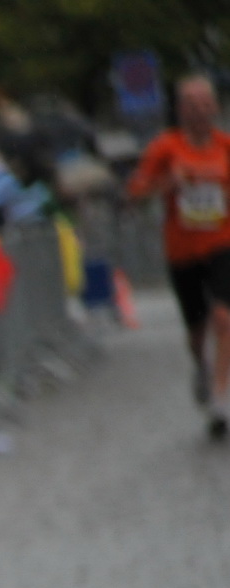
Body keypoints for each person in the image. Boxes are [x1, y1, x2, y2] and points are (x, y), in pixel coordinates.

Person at [127, 74, 230, 436]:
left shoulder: (225, 146)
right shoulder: (165, 148)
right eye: (192, 104)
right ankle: (201, 366)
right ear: (180, 109)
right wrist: (168, 183)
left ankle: (221, 398)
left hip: (222, 244)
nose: (200, 111)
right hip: (182, 250)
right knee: (197, 329)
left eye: (206, 103)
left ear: (216, 107)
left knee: (224, 317)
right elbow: (135, 192)